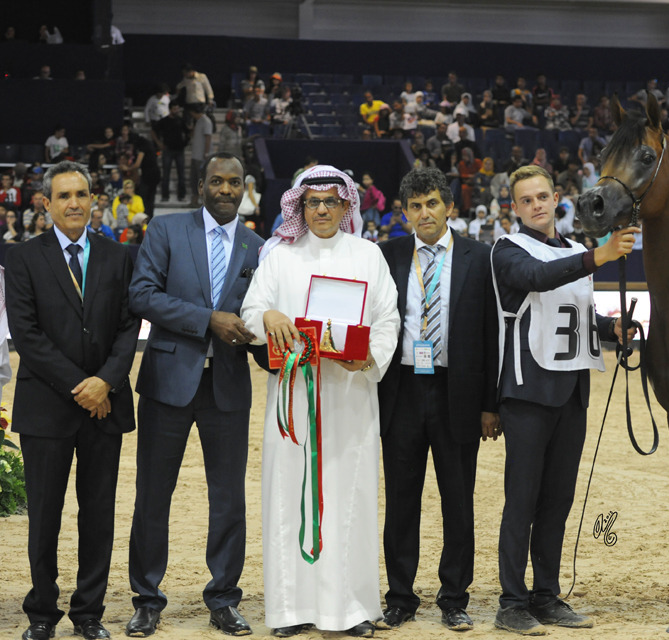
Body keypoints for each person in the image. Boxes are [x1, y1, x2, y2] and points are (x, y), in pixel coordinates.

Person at [241, 165, 400, 638]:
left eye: (332, 201)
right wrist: (268, 315)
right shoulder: (279, 257)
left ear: (347, 205)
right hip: (293, 402)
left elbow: (388, 319)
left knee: (350, 499)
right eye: (313, 202)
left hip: (350, 398)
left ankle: (349, 610)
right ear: (300, 207)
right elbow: (250, 312)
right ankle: (289, 609)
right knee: (289, 497)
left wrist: (369, 358)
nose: (323, 210)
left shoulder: (368, 255)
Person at [490, 166, 636, 635]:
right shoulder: (507, 249)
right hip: (527, 391)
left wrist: (610, 329)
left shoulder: (574, 249)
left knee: (557, 501)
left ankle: (546, 596)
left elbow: (574, 314)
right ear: (515, 207)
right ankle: (511, 602)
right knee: (522, 500)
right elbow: (537, 278)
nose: (536, 205)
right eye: (525, 200)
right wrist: (600, 255)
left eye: (542, 196)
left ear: (556, 199)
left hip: (572, 391)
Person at [126, 153, 265, 638]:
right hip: (168, 381)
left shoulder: (258, 246)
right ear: (200, 186)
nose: (226, 190)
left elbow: (263, 313)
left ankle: (224, 598)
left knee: (228, 499)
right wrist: (207, 319)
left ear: (244, 188)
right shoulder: (166, 230)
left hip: (228, 386)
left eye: (234, 182)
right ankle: (147, 599)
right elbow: (142, 295)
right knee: (152, 494)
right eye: (217, 181)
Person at [6, 161, 140, 640]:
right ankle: (42, 612)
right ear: (46, 203)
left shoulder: (118, 256)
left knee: (98, 514)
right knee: (44, 516)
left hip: (106, 406)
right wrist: (85, 387)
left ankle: (89, 613)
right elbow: (27, 335)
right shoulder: (22, 258)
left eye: (81, 194)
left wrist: (106, 382)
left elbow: (129, 326)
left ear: (93, 199)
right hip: (47, 408)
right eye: (63, 196)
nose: (74, 203)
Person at [377, 167, 499, 632]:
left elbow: (492, 334)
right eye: (415, 206)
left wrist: (490, 404)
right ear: (404, 211)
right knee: (401, 501)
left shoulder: (479, 257)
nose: (424, 213)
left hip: (458, 393)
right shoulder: (387, 255)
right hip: (402, 391)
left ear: (449, 207)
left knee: (458, 502)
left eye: (431, 203)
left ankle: (454, 598)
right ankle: (400, 598)